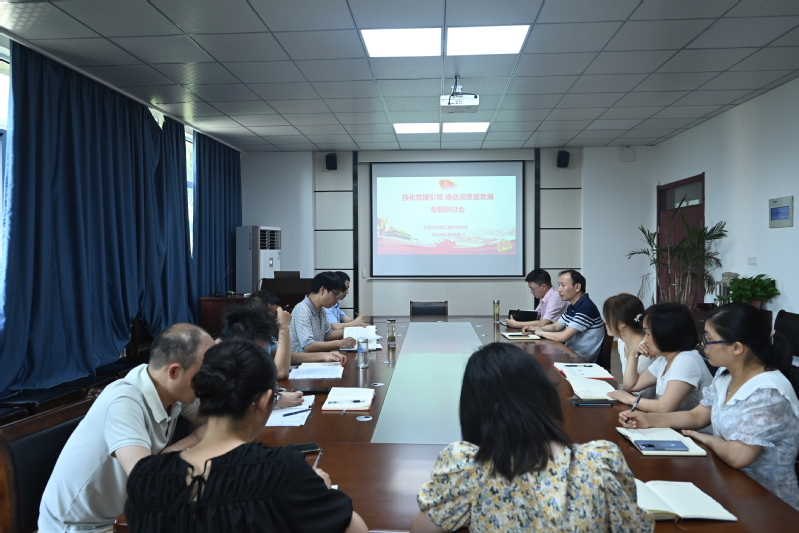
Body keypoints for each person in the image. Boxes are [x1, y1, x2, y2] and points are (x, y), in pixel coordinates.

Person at [125, 339, 369, 532]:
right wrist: (320, 492)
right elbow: (357, 529)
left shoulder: (145, 478)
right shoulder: (281, 471)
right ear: (264, 402)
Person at [411, 342, 654, 533]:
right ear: (544, 392)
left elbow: (422, 528)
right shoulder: (600, 463)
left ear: (473, 408)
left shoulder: (469, 469)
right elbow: (636, 526)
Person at [620, 302, 799, 510]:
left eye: (710, 339)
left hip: (766, 501)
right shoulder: (725, 375)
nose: (704, 345)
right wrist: (648, 419)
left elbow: (738, 456)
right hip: (726, 480)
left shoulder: (767, 392)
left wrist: (706, 438)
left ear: (736, 347)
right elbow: (697, 416)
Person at [39, 324, 215, 533]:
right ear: (174, 371)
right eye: (204, 373)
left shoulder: (166, 387)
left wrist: (175, 449)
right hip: (80, 527)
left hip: (120, 516)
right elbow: (147, 483)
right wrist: (193, 440)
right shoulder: (124, 401)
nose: (209, 381)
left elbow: (218, 421)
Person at [608, 302, 713, 415]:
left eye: (648, 334)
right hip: (671, 423)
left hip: (685, 426)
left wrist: (630, 399)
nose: (644, 339)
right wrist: (633, 355)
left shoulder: (686, 360)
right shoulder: (664, 360)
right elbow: (630, 386)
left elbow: (663, 408)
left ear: (666, 334)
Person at [219, 305, 303, 408]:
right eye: (256, 350)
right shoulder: (214, 363)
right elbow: (224, 405)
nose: (258, 355)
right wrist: (275, 401)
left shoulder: (239, 357)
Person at [522, 270, 605, 362]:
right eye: (559, 285)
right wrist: (534, 329)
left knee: (537, 361)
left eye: (563, 285)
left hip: (581, 360)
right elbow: (555, 326)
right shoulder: (573, 306)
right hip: (570, 354)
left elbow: (563, 336)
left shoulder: (586, 308)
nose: (559, 289)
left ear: (577, 287)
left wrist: (540, 332)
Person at [247, 291, 348, 366]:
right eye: (273, 314)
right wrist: (284, 326)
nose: (276, 318)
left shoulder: (266, 334)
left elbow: (287, 356)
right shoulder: (246, 335)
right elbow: (281, 372)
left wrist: (325, 356)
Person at [602, 293, 656, 399]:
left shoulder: (645, 350)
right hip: (631, 400)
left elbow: (645, 395)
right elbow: (628, 387)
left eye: (608, 318)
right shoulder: (622, 343)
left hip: (644, 405)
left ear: (622, 323)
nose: (605, 322)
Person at [290, 271, 357, 353]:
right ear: (322, 290)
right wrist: (339, 343)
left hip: (317, 357)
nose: (337, 299)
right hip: (302, 360)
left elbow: (328, 335)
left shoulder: (321, 309)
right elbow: (308, 346)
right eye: (335, 294)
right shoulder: (302, 309)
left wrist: (355, 330)